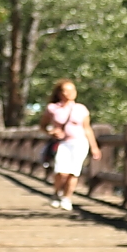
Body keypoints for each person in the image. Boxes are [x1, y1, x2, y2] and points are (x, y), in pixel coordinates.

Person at [41, 79, 100, 210]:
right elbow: (43, 126)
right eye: (66, 90)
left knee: (74, 172)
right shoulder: (53, 108)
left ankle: (67, 198)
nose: (70, 93)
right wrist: (51, 131)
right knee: (61, 172)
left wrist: (94, 147)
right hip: (62, 143)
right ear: (60, 93)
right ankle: (56, 193)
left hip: (79, 143)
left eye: (72, 90)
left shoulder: (81, 109)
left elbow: (87, 128)